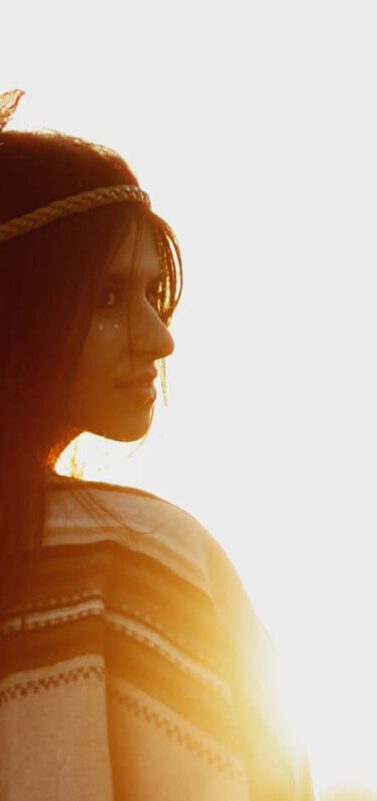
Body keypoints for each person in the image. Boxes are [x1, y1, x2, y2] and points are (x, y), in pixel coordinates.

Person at [0, 98, 312, 801]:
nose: (160, 338)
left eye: (152, 293)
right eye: (108, 297)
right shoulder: (136, 557)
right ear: (17, 304)